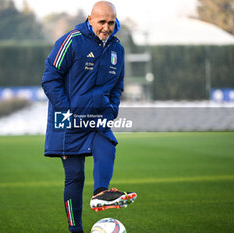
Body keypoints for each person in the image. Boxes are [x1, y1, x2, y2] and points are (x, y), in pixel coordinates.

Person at [41, 1, 137, 232]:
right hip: (67, 119)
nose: (106, 27)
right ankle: (76, 230)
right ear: (90, 19)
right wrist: (65, 111)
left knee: (107, 143)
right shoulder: (71, 40)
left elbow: (116, 88)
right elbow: (50, 79)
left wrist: (110, 111)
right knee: (74, 177)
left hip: (97, 116)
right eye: (101, 22)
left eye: (111, 22)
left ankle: (101, 193)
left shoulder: (117, 48)